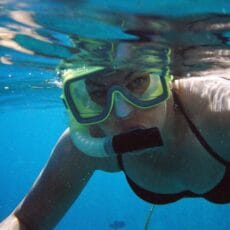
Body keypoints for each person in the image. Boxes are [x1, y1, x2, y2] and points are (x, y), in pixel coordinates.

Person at [0, 41, 229, 230]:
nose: (123, 112)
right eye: (99, 93)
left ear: (166, 79)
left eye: (138, 81)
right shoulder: (89, 140)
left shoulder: (219, 111)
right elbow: (25, 221)